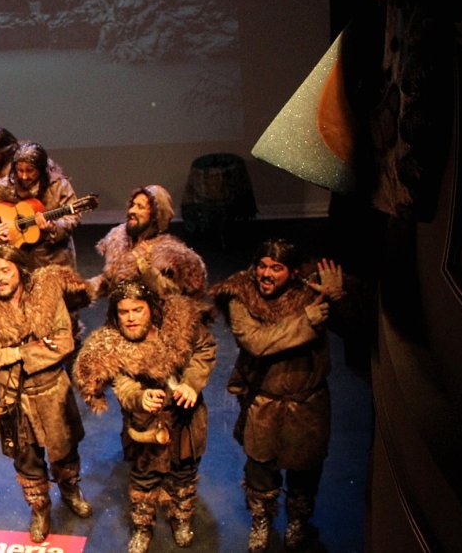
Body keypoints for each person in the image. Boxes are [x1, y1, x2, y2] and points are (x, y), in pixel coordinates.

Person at [210, 239, 351, 552]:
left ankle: (299, 520)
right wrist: (307, 321)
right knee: (260, 469)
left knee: (305, 469)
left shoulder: (310, 294)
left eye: (277, 267)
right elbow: (258, 342)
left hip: (308, 402)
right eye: (262, 265)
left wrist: (338, 299)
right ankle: (262, 520)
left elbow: (354, 329)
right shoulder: (241, 297)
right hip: (264, 401)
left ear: (293, 271)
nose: (266, 274)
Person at [0, 246, 92, 543]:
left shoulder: (45, 297)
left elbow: (63, 341)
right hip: (13, 398)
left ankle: (70, 490)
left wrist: (16, 352)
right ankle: (39, 509)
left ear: (19, 270)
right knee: (26, 460)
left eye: (5, 270)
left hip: (52, 392)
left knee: (65, 450)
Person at [73, 281, 217, 553]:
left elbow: (204, 350)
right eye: (123, 312)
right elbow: (123, 386)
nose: (130, 318)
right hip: (144, 425)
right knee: (143, 477)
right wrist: (140, 398)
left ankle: (181, 518)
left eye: (137, 310)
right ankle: (143, 526)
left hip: (184, 419)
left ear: (151, 309)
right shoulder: (111, 346)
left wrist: (192, 382)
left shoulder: (178, 329)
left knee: (184, 473)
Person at [0, 141, 83, 270]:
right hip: (19, 258)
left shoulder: (59, 186)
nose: (24, 176)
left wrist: (53, 227)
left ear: (40, 169)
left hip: (54, 259)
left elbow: (73, 216)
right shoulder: (9, 185)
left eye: (30, 171)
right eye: (20, 170)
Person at [92, 185, 208, 300]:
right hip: (120, 313)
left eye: (140, 207)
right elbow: (109, 282)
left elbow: (171, 294)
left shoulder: (170, 254)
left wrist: (147, 271)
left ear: (155, 215)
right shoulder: (118, 240)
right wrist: (86, 289)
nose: (132, 210)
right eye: (132, 205)